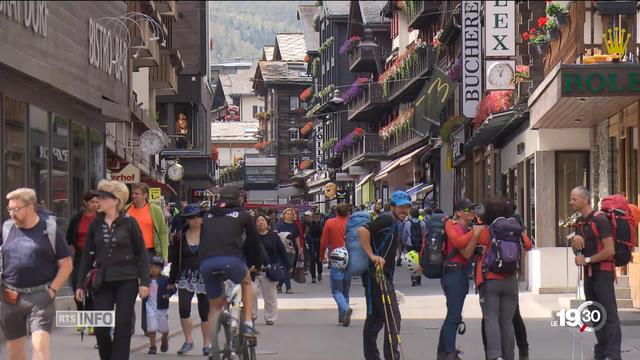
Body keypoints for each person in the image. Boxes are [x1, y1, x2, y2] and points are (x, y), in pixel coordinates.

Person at [76, 179, 151, 360]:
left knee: (122, 325)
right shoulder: (95, 224)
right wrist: (79, 285)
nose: (98, 200)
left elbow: (141, 253)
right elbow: (86, 256)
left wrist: (144, 282)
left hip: (127, 279)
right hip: (102, 280)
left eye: (102, 197)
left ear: (116, 200)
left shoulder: (130, 223)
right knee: (100, 328)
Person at [1, 187, 73, 360]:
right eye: (9, 209)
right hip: (11, 297)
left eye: (16, 209)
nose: (12, 213)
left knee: (40, 344)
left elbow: (66, 264)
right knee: (14, 352)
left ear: (30, 206)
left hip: (41, 296)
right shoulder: (6, 228)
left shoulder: (50, 229)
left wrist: (53, 289)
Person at [199, 185, 263, 339]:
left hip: (207, 264)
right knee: (246, 283)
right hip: (232, 261)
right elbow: (253, 241)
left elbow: (203, 241)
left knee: (215, 306)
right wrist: (257, 264)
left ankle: (211, 343)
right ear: (238, 200)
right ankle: (247, 323)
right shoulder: (243, 215)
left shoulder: (208, 215)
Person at [474, 198, 533, 360]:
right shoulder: (516, 229)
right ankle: (508, 356)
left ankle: (494, 355)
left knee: (491, 318)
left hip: (490, 279)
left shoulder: (486, 230)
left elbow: (471, 246)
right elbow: (528, 245)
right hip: (510, 280)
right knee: (507, 322)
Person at [358, 191, 412, 360]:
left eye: (407, 207)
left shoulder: (394, 221)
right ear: (392, 206)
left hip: (380, 275)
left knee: (376, 318)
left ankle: (372, 356)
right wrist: (372, 255)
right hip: (378, 275)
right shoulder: (387, 219)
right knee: (393, 318)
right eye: (401, 207)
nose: (404, 210)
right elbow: (362, 230)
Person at [570, 186, 621, 360]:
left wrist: (588, 260)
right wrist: (575, 244)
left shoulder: (600, 220)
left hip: (603, 273)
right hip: (589, 275)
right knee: (596, 314)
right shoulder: (580, 223)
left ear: (585, 199)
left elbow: (610, 250)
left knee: (610, 314)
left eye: (574, 199)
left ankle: (613, 354)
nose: (571, 202)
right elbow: (579, 253)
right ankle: (601, 351)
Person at [437, 198, 484, 360]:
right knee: (454, 316)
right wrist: (475, 233)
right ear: (458, 212)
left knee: (454, 314)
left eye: (472, 209)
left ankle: (443, 352)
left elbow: (467, 251)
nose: (471, 212)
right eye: (467, 210)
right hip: (453, 273)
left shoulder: (467, 228)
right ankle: (449, 353)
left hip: (462, 273)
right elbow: (458, 244)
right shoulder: (452, 225)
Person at [169, 204, 211, 356]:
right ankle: (188, 340)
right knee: (184, 309)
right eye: (191, 217)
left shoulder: (209, 234)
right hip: (185, 277)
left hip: (205, 276)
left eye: (198, 216)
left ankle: (207, 344)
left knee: (205, 312)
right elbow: (175, 260)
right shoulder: (180, 235)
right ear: (186, 219)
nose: (195, 220)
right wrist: (171, 281)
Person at [67, 190, 99, 334]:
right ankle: (81, 318)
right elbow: (69, 238)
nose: (95, 204)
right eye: (92, 201)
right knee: (77, 286)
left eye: (96, 202)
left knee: (91, 288)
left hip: (95, 256)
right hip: (80, 256)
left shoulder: (100, 218)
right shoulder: (77, 218)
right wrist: (72, 251)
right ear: (85, 203)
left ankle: (91, 322)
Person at [254, 214, 290, 325]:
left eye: (262, 220)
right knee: (251, 294)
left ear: (267, 223)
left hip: (269, 270)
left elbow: (282, 251)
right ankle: (251, 316)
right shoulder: (251, 237)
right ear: (254, 224)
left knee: (270, 296)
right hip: (254, 270)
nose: (260, 222)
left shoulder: (274, 237)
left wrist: (288, 266)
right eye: (258, 220)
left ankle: (270, 317)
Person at [320, 203, 352, 326]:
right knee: (345, 290)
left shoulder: (330, 223)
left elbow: (323, 242)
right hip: (349, 259)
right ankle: (342, 316)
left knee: (336, 290)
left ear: (336, 211)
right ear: (348, 212)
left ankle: (344, 309)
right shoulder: (351, 223)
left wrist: (321, 256)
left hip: (336, 259)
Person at [126, 182, 169, 262]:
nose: (133, 196)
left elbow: (163, 233)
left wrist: (165, 256)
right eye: (132, 193)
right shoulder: (126, 210)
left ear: (145, 195)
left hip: (150, 252)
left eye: (137, 194)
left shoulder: (155, 210)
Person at [145, 255, 175, 354]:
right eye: (151, 267)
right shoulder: (146, 279)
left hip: (162, 307)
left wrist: (168, 294)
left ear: (161, 269)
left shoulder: (165, 279)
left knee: (164, 329)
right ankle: (152, 346)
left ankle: (164, 339)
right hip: (150, 306)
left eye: (156, 268)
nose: (153, 269)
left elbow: (173, 288)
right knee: (151, 328)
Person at [275, 208, 303, 294]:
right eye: (287, 214)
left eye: (291, 214)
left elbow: (297, 238)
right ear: (284, 215)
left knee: (290, 268)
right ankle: (288, 288)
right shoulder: (280, 224)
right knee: (285, 269)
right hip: (281, 248)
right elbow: (275, 234)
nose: (289, 215)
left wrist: (299, 249)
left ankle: (279, 285)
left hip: (292, 249)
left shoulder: (295, 225)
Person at [402, 208, 426, 286]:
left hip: (410, 244)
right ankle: (419, 278)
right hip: (419, 244)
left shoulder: (407, 223)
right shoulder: (422, 223)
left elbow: (404, 235)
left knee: (411, 261)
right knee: (419, 261)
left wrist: (405, 243)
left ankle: (413, 278)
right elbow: (424, 234)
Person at [306, 212, 324, 283]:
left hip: (320, 242)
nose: (316, 216)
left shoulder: (322, 222)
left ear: (319, 215)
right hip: (312, 242)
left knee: (319, 259)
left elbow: (325, 232)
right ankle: (313, 276)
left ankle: (319, 273)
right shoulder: (310, 223)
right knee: (312, 259)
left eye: (317, 214)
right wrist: (307, 239)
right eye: (315, 214)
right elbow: (307, 232)